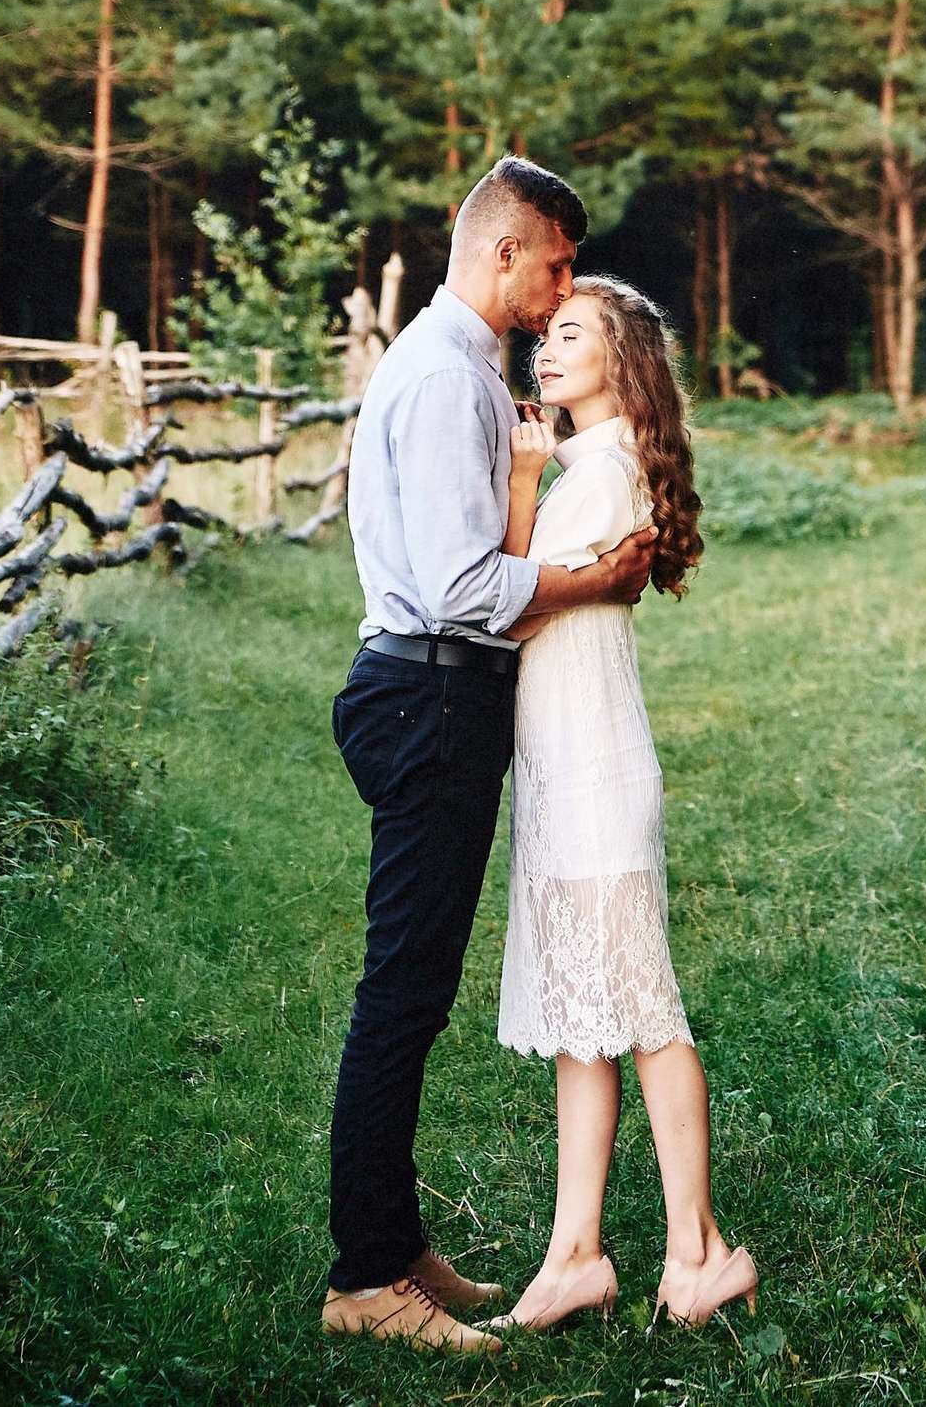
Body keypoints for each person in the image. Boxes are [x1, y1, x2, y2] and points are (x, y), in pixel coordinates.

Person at [320, 158, 657, 1353]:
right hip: (426, 695)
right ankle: (365, 1277)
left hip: (435, 696)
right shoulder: (444, 378)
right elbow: (464, 586)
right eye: (557, 263)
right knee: (399, 994)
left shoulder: (459, 366)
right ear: (505, 251)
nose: (563, 286)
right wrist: (595, 578)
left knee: (413, 992)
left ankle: (395, 1239)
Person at [497, 275, 759, 1334]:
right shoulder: (591, 467)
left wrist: (519, 477)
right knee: (582, 1018)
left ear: (624, 359)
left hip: (594, 775)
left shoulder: (596, 476)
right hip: (568, 770)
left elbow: (507, 609)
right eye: (544, 335)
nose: (546, 350)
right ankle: (576, 1254)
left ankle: (697, 1249)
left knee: (641, 1011)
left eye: (572, 335)